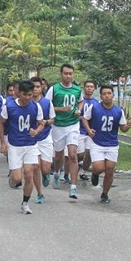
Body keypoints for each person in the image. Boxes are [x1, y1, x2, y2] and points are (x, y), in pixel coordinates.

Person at [0, 80, 46, 214]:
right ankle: (13, 179)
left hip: (30, 144)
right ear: (19, 93)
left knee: (29, 174)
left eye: (30, 95)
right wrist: (3, 142)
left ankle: (25, 203)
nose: (27, 97)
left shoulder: (36, 107)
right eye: (25, 94)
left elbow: (41, 123)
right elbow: (1, 123)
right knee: (17, 178)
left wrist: (36, 131)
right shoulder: (9, 107)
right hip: (15, 145)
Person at [81, 84, 131, 203]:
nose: (107, 96)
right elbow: (84, 118)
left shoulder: (118, 111)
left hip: (112, 144)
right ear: (101, 96)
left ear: (113, 95)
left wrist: (128, 126)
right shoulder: (94, 107)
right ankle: (95, 173)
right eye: (104, 94)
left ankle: (105, 194)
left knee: (109, 170)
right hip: (97, 143)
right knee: (99, 168)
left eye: (109, 93)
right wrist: (89, 130)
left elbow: (123, 128)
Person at [45, 63, 83, 199]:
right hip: (58, 125)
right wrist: (61, 109)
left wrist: (78, 110)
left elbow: (80, 101)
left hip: (73, 125)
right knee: (59, 155)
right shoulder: (54, 89)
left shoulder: (77, 89)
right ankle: (56, 172)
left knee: (72, 155)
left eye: (70, 74)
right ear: (61, 74)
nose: (68, 76)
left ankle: (73, 187)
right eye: (66, 73)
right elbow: (47, 105)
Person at [30, 76, 54, 203]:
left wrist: (46, 122)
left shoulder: (47, 103)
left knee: (46, 168)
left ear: (42, 88)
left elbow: (53, 119)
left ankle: (46, 174)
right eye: (33, 87)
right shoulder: (25, 103)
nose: (35, 89)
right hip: (31, 140)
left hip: (45, 137)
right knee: (35, 166)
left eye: (38, 87)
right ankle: (39, 193)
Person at [77, 80, 97, 184]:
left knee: (89, 153)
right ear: (84, 88)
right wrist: (81, 118)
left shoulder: (96, 103)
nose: (89, 88)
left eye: (91, 86)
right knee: (80, 154)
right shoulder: (80, 101)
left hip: (90, 132)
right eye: (87, 86)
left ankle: (83, 172)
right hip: (79, 130)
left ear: (94, 89)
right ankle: (74, 168)